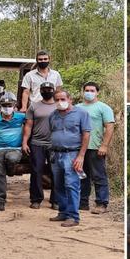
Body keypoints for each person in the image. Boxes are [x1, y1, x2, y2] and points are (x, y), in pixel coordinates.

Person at [48, 90, 91, 227]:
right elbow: (52, 132)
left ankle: (73, 216)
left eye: (62, 99)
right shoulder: (53, 115)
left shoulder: (81, 113)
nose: (60, 102)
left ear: (70, 99)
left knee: (72, 185)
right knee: (58, 185)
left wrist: (81, 156)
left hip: (72, 154)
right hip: (56, 154)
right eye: (57, 99)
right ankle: (63, 212)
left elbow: (86, 134)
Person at [76, 82, 115, 214]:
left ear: (97, 92)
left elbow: (109, 127)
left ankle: (101, 203)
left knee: (98, 176)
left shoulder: (103, 108)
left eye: (92, 90)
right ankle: (83, 203)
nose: (89, 92)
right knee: (82, 176)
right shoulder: (77, 108)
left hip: (95, 147)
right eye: (86, 90)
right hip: (79, 148)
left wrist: (104, 145)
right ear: (83, 92)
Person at [22, 82, 58, 210]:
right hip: (37, 143)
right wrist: (25, 142)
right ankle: (36, 199)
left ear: (53, 90)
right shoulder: (34, 106)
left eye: (49, 89)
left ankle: (56, 201)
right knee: (36, 171)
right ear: (40, 91)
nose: (47, 91)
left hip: (55, 144)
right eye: (44, 89)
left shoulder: (59, 105)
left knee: (56, 171)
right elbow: (28, 125)